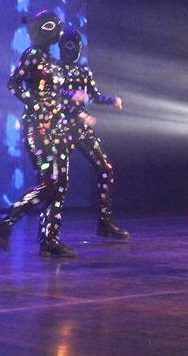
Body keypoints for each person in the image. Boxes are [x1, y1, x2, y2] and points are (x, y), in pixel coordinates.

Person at [0, 10, 79, 258]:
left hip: (58, 127)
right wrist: (34, 102)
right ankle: (8, 218)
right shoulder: (31, 55)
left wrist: (71, 99)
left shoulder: (53, 61)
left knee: (61, 183)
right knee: (50, 180)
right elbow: (13, 83)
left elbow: (54, 93)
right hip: (37, 126)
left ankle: (49, 239)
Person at [57, 24, 129, 240]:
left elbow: (94, 96)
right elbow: (52, 95)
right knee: (56, 179)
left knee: (105, 169)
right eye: (67, 45)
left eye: (74, 45)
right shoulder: (54, 70)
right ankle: (50, 232)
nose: (70, 50)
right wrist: (76, 107)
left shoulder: (83, 71)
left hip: (83, 131)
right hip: (61, 130)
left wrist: (111, 100)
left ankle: (105, 222)